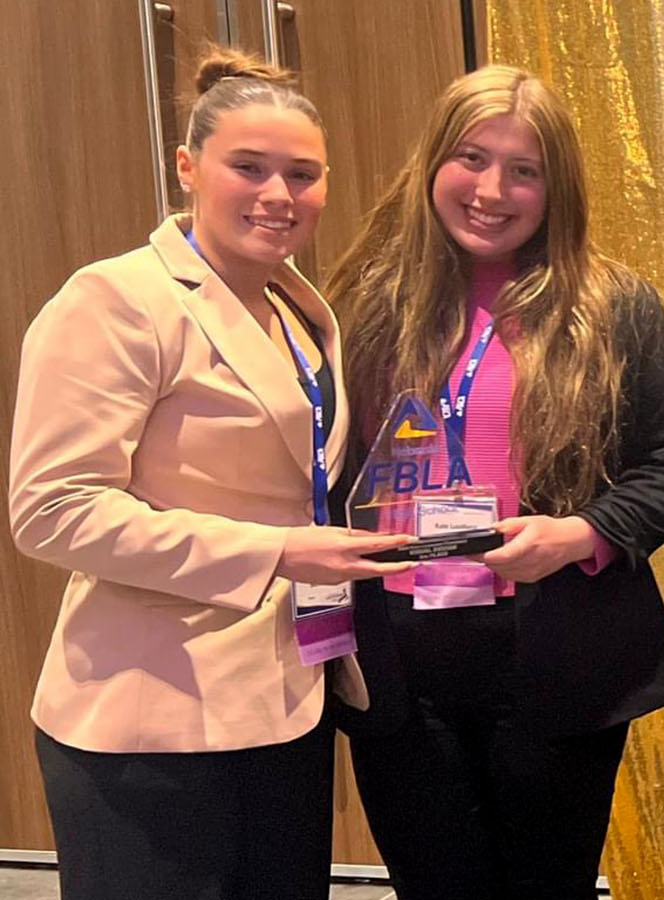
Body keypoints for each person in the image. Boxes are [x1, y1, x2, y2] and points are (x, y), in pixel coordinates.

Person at [8, 49, 415, 899]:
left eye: (302, 175)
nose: (278, 195)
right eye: (249, 167)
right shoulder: (118, 300)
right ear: (188, 167)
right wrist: (274, 554)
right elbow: (52, 511)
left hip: (286, 697)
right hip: (150, 713)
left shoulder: (300, 307)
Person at [325, 65, 664, 899]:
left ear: (555, 187)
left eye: (523, 170)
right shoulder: (364, 302)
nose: (492, 190)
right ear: (432, 164)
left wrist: (582, 534)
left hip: (552, 653)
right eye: (471, 158)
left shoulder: (615, 308)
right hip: (399, 657)